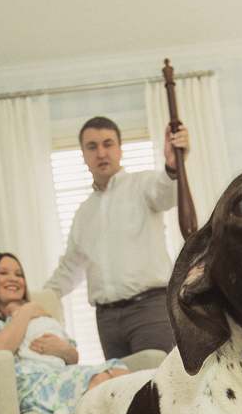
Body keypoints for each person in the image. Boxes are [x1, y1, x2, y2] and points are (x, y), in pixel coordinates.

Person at [43, 116, 191, 359]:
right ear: (83, 154)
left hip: (151, 311)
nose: (101, 152)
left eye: (108, 144)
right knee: (123, 391)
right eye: (92, 146)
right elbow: (70, 268)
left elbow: (168, 194)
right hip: (106, 321)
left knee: (158, 384)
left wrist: (174, 166)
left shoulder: (144, 184)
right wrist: (37, 300)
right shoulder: (82, 214)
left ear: (120, 149)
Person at [0, 252, 130, 414]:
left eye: (19, 275)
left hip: (55, 374)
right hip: (26, 387)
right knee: (97, 379)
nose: (14, 279)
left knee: (120, 372)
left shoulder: (40, 318)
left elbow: (73, 358)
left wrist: (62, 349)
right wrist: (26, 311)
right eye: (3, 273)